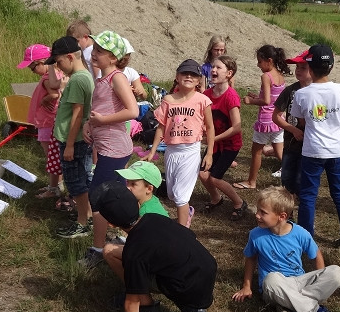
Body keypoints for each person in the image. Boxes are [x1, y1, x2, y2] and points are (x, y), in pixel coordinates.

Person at [92, 182, 217, 312]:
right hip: (205, 273)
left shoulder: (135, 252)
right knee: (111, 250)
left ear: (110, 223)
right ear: (137, 205)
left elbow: (131, 303)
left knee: (130, 273)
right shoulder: (154, 217)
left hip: (185, 288)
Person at [232, 187, 340, 312]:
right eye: (258, 210)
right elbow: (250, 258)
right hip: (274, 287)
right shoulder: (256, 235)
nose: (257, 215)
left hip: (299, 282)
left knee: (337, 272)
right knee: (271, 279)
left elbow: (316, 254)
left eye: (263, 212)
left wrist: (320, 278)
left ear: (282, 216)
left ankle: (291, 307)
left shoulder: (300, 233)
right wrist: (247, 286)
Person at [290, 45, 340, 246]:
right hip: (337, 150)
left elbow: (301, 121)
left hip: (313, 150)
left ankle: (306, 236)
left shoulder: (302, 94)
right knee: (339, 191)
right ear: (331, 66)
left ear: (309, 67)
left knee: (308, 194)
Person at [82, 31, 140, 267]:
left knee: (98, 198)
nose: (94, 54)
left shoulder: (117, 78)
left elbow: (133, 111)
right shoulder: (101, 79)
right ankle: (127, 237)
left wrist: (101, 121)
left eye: (100, 51)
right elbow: (99, 108)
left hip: (114, 149)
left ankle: (98, 249)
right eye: (94, 49)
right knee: (115, 195)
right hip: (107, 146)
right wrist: (89, 123)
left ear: (114, 58)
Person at [144, 59, 215, 227]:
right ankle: (187, 211)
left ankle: (182, 233)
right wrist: (153, 151)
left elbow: (210, 128)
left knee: (180, 195)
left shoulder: (202, 100)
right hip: (171, 151)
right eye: (185, 73)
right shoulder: (168, 100)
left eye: (193, 74)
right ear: (177, 77)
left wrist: (210, 153)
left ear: (199, 80)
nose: (189, 76)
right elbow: (161, 127)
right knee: (171, 194)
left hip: (191, 151)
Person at [47, 36, 95, 239]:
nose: (58, 67)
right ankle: (89, 216)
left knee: (75, 182)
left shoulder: (77, 80)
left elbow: (77, 114)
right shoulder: (83, 77)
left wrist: (68, 146)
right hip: (76, 141)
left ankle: (82, 223)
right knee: (82, 178)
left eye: (58, 62)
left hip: (73, 142)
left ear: (69, 56)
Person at [102, 160, 168, 285]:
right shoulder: (150, 201)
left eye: (133, 184)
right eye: (127, 182)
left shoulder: (146, 214)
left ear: (149, 188)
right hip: (161, 254)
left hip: (159, 263)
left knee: (108, 251)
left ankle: (135, 290)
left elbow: (143, 245)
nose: (127, 187)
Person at [198, 55, 248, 220]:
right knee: (203, 174)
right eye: (213, 67)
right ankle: (216, 198)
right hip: (215, 142)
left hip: (230, 145)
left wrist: (214, 139)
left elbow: (237, 127)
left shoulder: (231, 96)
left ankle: (239, 203)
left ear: (229, 73)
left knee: (216, 178)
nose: (213, 70)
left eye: (218, 68)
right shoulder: (206, 94)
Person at [235, 45, 289, 191]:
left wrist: (251, 101)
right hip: (278, 119)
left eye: (260, 61)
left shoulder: (266, 76)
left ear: (269, 60)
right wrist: (257, 96)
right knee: (279, 151)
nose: (258, 65)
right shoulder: (279, 74)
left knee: (256, 152)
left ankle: (251, 181)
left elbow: (266, 101)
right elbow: (273, 98)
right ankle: (296, 173)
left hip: (265, 120)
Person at [17, 44, 65, 200]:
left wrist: (44, 99)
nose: (32, 71)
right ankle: (58, 184)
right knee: (55, 155)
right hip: (52, 120)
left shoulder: (46, 79)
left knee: (50, 156)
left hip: (46, 121)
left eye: (33, 67)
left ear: (43, 62)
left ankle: (54, 188)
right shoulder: (59, 74)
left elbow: (54, 95)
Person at [272, 50, 313, 198]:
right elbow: (275, 116)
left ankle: (301, 211)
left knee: (302, 181)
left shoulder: (318, 92)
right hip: (290, 144)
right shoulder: (290, 91)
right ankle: (287, 212)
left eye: (303, 67)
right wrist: (293, 130)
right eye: (297, 67)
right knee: (287, 180)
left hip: (310, 146)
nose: (298, 71)